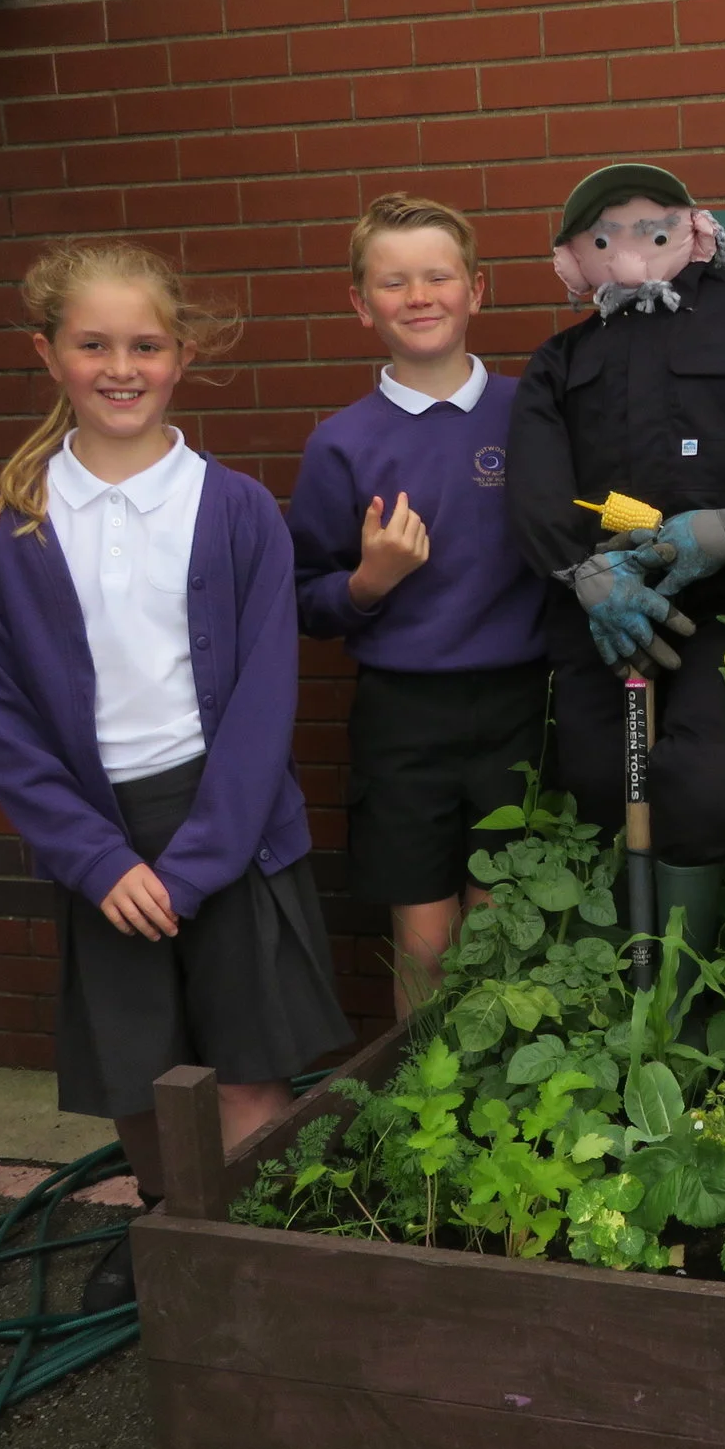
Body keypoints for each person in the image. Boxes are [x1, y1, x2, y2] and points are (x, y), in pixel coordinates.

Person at [0, 243, 352, 1312]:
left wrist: (200, 861)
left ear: (181, 356)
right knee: (141, 1068)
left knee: (251, 1063)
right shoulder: (5, 525)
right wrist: (94, 857)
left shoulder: (233, 511)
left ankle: (258, 1244)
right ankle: (171, 1226)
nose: (120, 367)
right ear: (49, 354)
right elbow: (0, 719)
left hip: (232, 824)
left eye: (145, 345)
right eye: (93, 345)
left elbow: (266, 700)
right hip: (99, 838)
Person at [507, 162, 725, 947]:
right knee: (598, 780)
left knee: (709, 783)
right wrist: (588, 570)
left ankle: (683, 986)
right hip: (605, 607)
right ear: (576, 255)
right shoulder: (564, 359)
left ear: (692, 228)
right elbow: (536, 479)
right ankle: (623, 992)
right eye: (603, 235)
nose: (630, 247)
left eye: (651, 228)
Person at [286, 193, 552, 1017]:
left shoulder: (532, 414)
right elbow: (306, 598)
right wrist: (371, 580)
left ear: (479, 288)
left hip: (522, 702)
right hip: (404, 715)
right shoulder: (341, 442)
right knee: (426, 943)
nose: (420, 296)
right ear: (361, 305)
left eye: (438, 276)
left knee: (504, 932)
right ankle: (424, 1127)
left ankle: (500, 1125)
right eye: (394, 283)